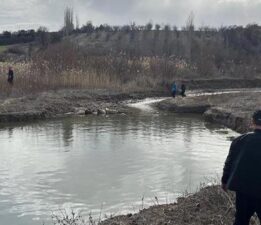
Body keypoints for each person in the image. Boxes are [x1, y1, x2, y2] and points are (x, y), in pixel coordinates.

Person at [221, 110, 261, 225]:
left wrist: (225, 181)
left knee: (241, 220)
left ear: (252, 122)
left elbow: (229, 163)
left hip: (243, 189)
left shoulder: (239, 140)